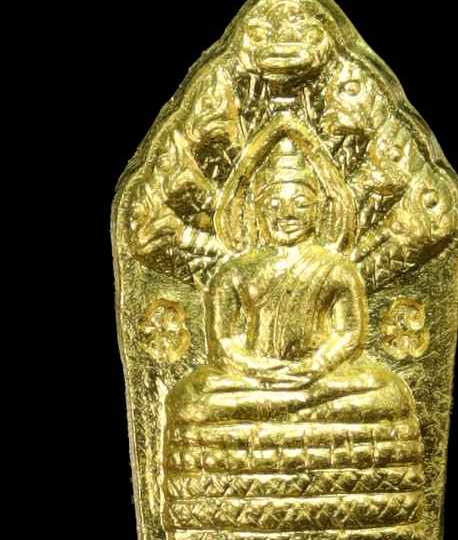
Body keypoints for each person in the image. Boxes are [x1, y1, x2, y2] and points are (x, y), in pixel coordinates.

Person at [166, 138, 414, 426]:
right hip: (254, 379)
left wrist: (315, 366)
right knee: (189, 397)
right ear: (256, 211)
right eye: (274, 204)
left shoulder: (337, 269)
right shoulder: (234, 271)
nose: (287, 213)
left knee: (388, 390)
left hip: (319, 377)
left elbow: (348, 333)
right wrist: (259, 369)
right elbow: (223, 342)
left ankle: (277, 411)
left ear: (319, 210)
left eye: (301, 204)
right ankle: (300, 411)